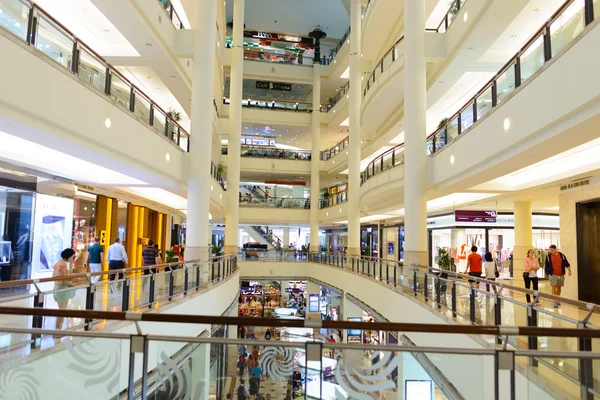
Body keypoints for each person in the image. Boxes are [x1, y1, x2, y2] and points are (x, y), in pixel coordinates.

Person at [52, 248, 76, 331]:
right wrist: (72, 284)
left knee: (60, 310)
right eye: (73, 257)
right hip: (62, 289)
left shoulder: (58, 263)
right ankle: (58, 331)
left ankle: (57, 330)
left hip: (56, 288)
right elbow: (64, 280)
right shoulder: (63, 265)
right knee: (62, 312)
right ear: (68, 256)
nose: (73, 259)